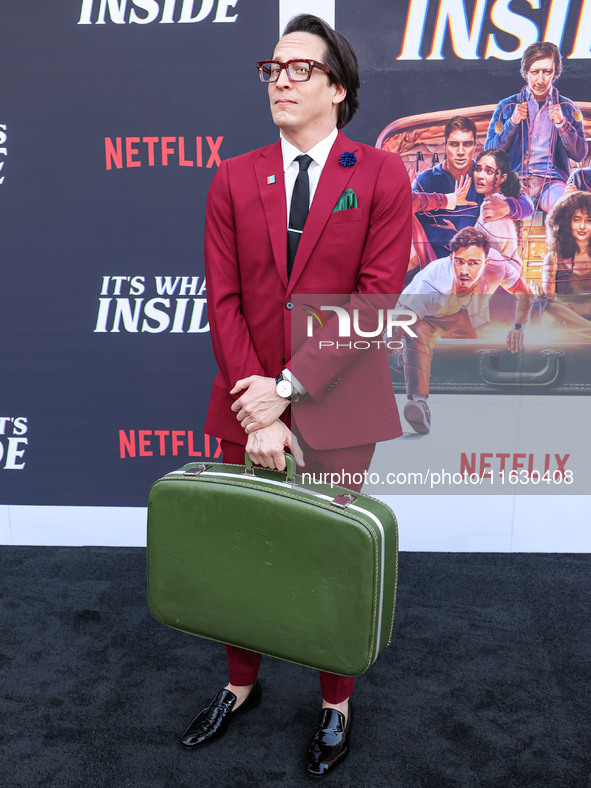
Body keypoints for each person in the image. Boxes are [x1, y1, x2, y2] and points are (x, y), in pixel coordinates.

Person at [180, 14, 412, 777]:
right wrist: (257, 404)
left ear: (337, 89)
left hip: (335, 404)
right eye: (271, 68)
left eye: (298, 68)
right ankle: (239, 686)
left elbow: (374, 302)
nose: (279, 79)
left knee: (324, 560)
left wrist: (285, 392)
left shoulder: (380, 175)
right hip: (244, 399)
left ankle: (335, 704)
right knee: (241, 550)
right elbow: (223, 302)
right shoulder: (234, 176)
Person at [397, 227, 532, 434]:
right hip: (424, 316)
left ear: (485, 262)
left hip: (461, 316)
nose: (464, 270)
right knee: (416, 333)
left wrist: (518, 327)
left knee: (469, 351)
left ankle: (472, 408)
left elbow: (525, 293)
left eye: (473, 263)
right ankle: (418, 403)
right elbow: (402, 320)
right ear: (452, 258)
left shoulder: (497, 265)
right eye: (459, 261)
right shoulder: (433, 281)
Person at [412, 116, 532, 271]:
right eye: (454, 144)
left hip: (480, 268)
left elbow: (527, 205)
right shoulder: (426, 179)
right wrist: (452, 237)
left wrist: (507, 206)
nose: (461, 152)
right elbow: (410, 224)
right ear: (445, 145)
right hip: (435, 265)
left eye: (467, 144)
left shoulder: (484, 177)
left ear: (475, 146)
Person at [485, 42, 587, 214]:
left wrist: (562, 124)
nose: (540, 80)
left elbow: (580, 154)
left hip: (552, 183)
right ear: (525, 73)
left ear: (555, 73)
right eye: (535, 72)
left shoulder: (568, 108)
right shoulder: (507, 106)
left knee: (568, 209)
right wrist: (512, 123)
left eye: (547, 72)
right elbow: (489, 152)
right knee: (497, 210)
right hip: (515, 181)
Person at [538, 190, 591, 330]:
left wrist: (573, 307)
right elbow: (548, 304)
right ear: (566, 222)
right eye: (577, 219)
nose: (582, 226)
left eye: (589, 220)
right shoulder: (553, 258)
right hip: (565, 326)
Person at [473, 148, 524, 272]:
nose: (480, 176)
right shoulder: (489, 202)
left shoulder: (496, 208)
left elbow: (491, 253)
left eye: (489, 171)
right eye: (478, 169)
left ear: (502, 177)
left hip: (499, 278)